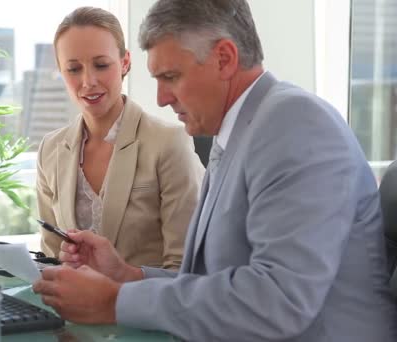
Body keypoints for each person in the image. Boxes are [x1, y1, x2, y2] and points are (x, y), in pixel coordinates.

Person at [33, 0, 397, 341]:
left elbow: (279, 300)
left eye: (171, 76)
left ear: (224, 58)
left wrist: (114, 302)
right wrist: (128, 277)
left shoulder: (296, 126)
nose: (161, 97)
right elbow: (210, 281)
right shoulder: (239, 132)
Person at [36, 6, 205, 269]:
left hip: (144, 307)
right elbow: (49, 256)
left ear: (125, 62)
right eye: (73, 69)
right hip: (71, 306)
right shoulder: (51, 149)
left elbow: (186, 268)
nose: (88, 81)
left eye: (101, 65)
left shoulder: (169, 143)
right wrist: (63, 260)